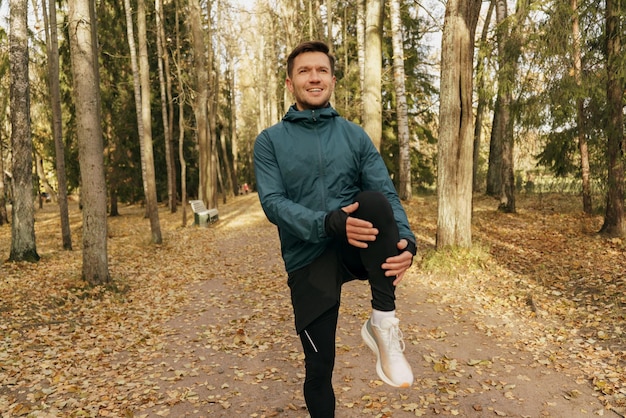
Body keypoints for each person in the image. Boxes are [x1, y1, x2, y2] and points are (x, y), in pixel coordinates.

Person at [253, 40, 417, 417]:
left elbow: (387, 195)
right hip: (307, 256)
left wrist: (407, 240)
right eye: (304, 71)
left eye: (321, 70)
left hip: (355, 247)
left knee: (374, 201)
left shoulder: (354, 135)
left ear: (332, 79)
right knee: (319, 366)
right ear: (290, 83)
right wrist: (327, 221)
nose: (314, 77)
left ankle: (383, 323)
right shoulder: (270, 141)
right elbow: (273, 203)